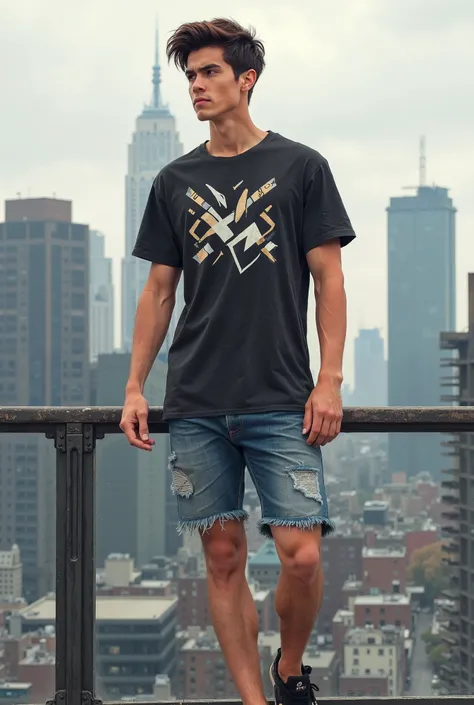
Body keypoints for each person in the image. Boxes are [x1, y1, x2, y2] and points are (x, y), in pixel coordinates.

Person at [120, 17, 355, 705]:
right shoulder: (174, 179)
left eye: (209, 72)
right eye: (190, 75)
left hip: (284, 400)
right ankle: (256, 701)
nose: (197, 85)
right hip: (196, 401)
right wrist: (136, 384)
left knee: (302, 555)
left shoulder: (301, 167)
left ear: (245, 79)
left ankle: (290, 668)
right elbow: (160, 290)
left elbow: (330, 280)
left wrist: (330, 379)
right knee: (221, 559)